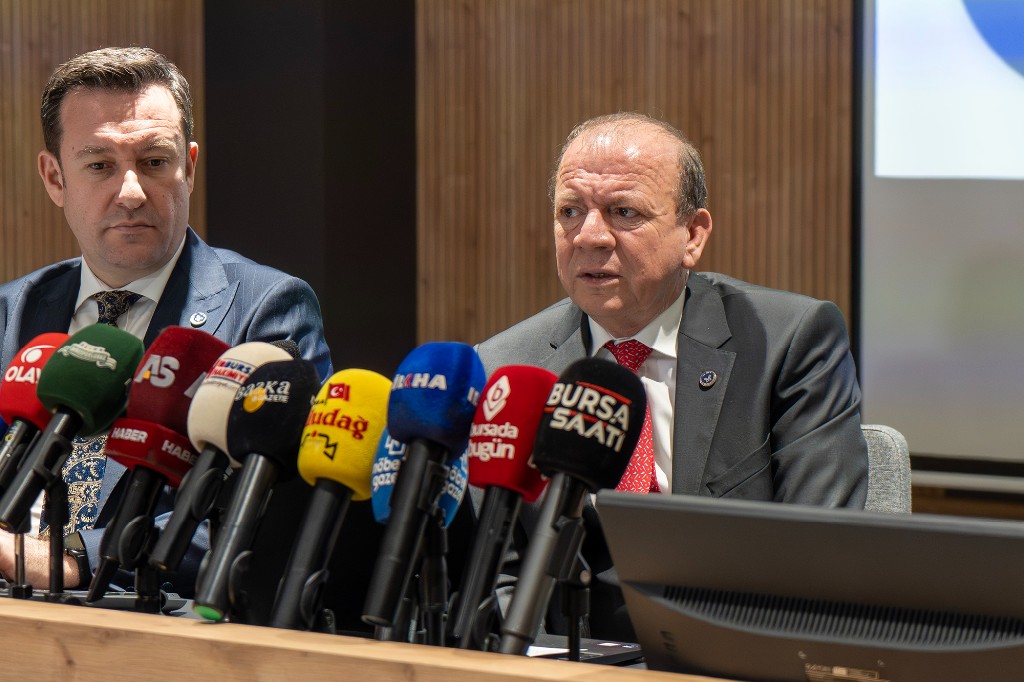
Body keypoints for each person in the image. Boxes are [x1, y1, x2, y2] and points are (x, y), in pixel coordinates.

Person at [475, 112, 868, 640]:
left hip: (732, 651)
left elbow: (822, 549)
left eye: (624, 212)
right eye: (570, 211)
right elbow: (493, 574)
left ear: (693, 235)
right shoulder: (505, 369)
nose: (589, 236)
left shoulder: (787, 341)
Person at [0, 47, 332, 596]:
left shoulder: (265, 309)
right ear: (55, 178)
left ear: (189, 167)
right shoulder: (11, 312)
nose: (131, 193)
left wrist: (73, 559)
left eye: (154, 162)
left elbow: (260, 509)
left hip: (150, 612)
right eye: (100, 165)